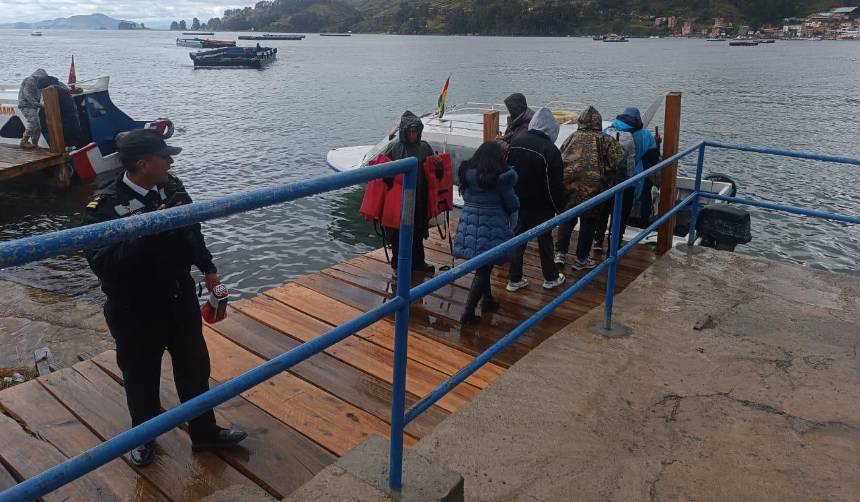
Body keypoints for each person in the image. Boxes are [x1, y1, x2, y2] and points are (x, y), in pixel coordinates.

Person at [83, 129, 247, 467]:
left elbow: (191, 229)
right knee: (141, 376)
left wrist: (208, 267)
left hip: (179, 297)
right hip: (135, 309)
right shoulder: (103, 207)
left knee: (195, 369)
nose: (171, 162)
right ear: (143, 164)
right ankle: (143, 438)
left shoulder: (172, 187)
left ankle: (204, 433)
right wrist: (149, 227)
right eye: (165, 157)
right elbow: (104, 266)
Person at [452, 142, 519, 324]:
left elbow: (466, 197)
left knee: (484, 265)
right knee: (484, 268)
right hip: (491, 228)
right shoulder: (501, 180)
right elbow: (513, 205)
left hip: (468, 226)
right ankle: (468, 311)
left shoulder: (468, 176)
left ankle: (487, 300)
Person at [554, 106, 626, 270]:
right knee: (588, 222)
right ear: (598, 123)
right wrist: (607, 172)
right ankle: (581, 259)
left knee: (567, 219)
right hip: (593, 188)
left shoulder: (572, 137)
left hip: (569, 185)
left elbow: (560, 156)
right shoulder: (604, 139)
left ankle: (560, 253)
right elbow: (620, 160)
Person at [505, 107, 566, 291]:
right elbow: (553, 184)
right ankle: (551, 277)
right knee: (545, 240)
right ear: (551, 129)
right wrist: (559, 207)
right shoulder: (550, 151)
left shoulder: (516, 142)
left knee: (518, 240)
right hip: (541, 206)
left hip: (518, 202)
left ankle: (514, 279)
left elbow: (508, 172)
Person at [593, 107, 661, 249]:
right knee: (621, 214)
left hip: (607, 180)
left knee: (603, 210)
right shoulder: (646, 136)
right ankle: (615, 244)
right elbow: (652, 159)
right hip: (629, 181)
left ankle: (598, 241)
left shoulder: (608, 131)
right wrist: (657, 143)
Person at [382, 110, 441, 275]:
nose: (413, 134)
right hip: (399, 199)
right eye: (410, 131)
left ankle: (418, 262)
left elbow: (436, 174)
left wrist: (439, 165)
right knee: (398, 233)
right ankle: (397, 265)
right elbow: (382, 174)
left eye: (416, 131)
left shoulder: (425, 147)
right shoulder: (393, 147)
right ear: (404, 131)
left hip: (419, 197)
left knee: (418, 230)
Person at [35, 75, 86, 149]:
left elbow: (47, 106)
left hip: (67, 115)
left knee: (72, 132)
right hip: (70, 113)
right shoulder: (59, 86)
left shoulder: (52, 89)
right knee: (74, 132)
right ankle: (78, 147)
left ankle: (77, 148)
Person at [17, 69, 48, 149]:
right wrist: (39, 105)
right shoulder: (30, 80)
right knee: (33, 121)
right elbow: (28, 95)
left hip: (33, 106)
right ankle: (24, 141)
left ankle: (34, 144)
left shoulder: (40, 83)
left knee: (38, 126)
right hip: (25, 105)